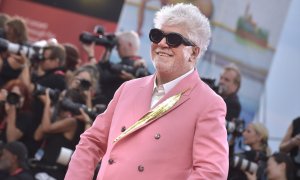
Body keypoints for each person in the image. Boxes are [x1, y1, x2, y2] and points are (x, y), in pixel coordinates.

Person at [65, 3, 228, 180]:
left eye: (173, 39)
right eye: (157, 36)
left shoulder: (209, 103)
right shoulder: (128, 88)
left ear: (194, 53)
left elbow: (211, 173)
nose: (162, 44)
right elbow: (92, 141)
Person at [85, 30, 150, 105]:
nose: (116, 49)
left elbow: (102, 76)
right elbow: (104, 68)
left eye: (118, 45)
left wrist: (91, 55)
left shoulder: (132, 67)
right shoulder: (142, 67)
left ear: (129, 45)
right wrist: (107, 48)